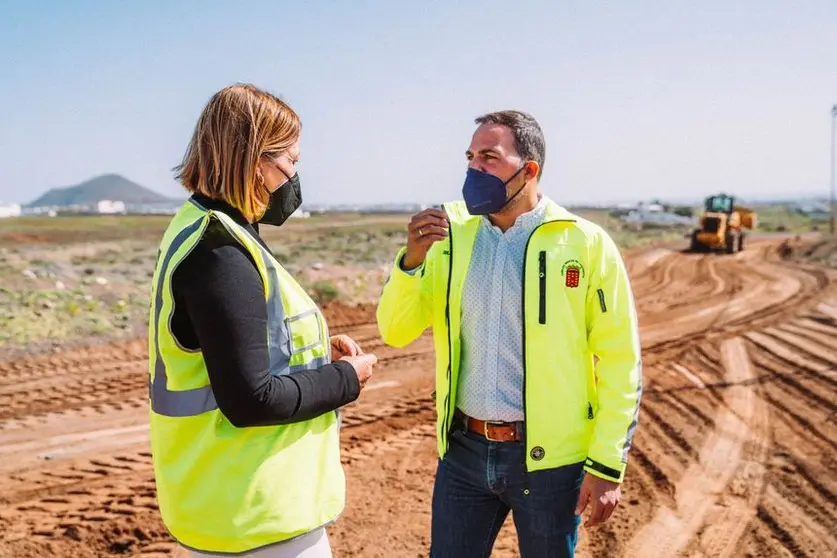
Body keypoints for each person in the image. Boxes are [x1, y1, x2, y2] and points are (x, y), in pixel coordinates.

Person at [376, 110, 642, 557]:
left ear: (529, 169)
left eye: (489, 157)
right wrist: (411, 263)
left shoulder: (583, 243)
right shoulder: (450, 237)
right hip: (463, 454)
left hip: (549, 465)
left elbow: (620, 360)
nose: (474, 168)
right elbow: (395, 331)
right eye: (470, 157)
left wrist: (607, 465)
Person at [148, 83, 378, 557]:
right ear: (255, 160)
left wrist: (313, 352)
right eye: (290, 161)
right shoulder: (221, 254)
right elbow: (252, 399)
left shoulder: (205, 228)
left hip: (234, 510)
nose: (295, 176)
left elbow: (237, 344)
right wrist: (344, 379)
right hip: (256, 520)